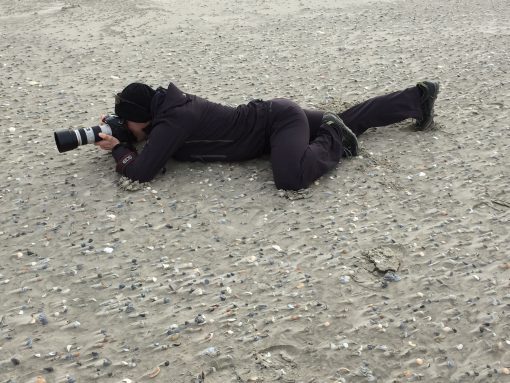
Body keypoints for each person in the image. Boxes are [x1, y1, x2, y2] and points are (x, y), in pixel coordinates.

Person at [95, 81, 439, 190]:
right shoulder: (169, 111)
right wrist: (130, 136)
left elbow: (141, 173)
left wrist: (119, 148)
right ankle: (415, 99)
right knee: (348, 120)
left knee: (291, 179)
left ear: (144, 118)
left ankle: (334, 138)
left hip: (278, 121)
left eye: (131, 123)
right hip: (274, 120)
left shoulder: (173, 121)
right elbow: (158, 144)